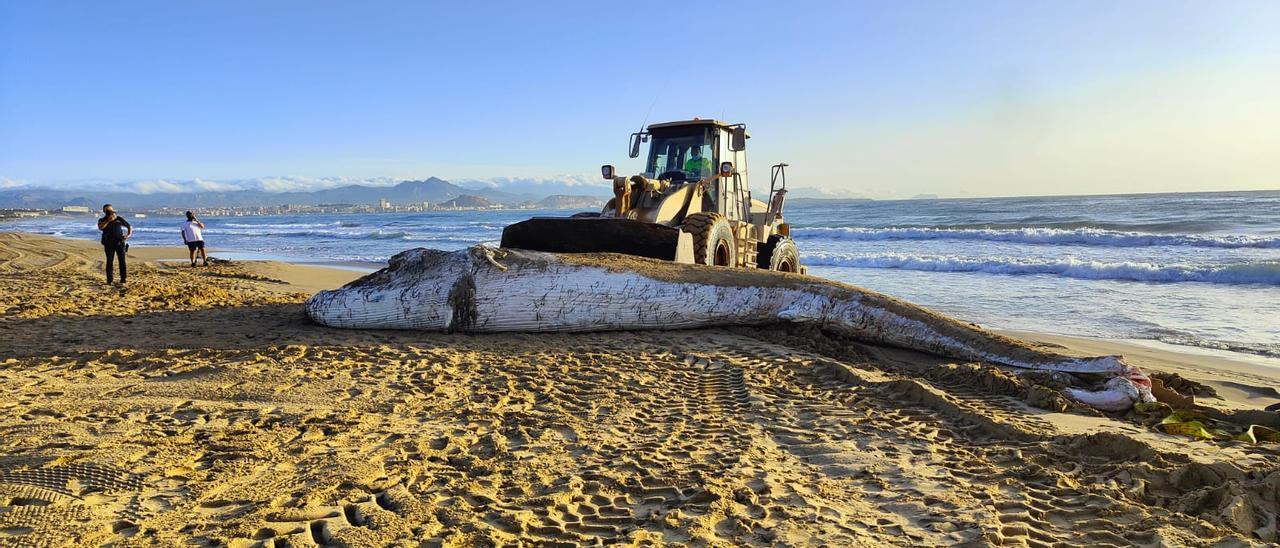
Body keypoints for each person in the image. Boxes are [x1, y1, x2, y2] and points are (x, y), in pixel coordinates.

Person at [96, 204, 131, 285]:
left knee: (122, 261)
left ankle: (123, 279)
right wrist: (108, 220)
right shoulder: (102, 220)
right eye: (108, 210)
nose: (110, 212)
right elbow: (100, 228)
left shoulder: (118, 218)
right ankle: (110, 280)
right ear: (104, 211)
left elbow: (129, 226)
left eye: (111, 210)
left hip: (120, 242)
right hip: (108, 243)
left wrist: (128, 235)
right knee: (109, 261)